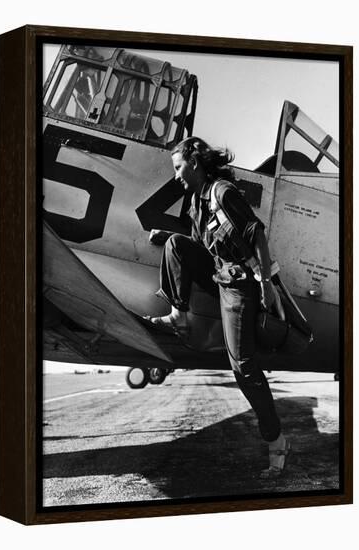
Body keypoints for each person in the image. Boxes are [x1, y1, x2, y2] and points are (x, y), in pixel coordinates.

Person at [146, 136, 290, 478]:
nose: (177, 175)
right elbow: (199, 247)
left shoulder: (223, 192)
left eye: (179, 168)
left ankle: (277, 441)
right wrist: (166, 237)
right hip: (218, 275)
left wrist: (267, 286)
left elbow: (257, 234)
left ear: (194, 164)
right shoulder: (195, 202)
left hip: (240, 285)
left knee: (242, 366)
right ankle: (179, 315)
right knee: (177, 245)